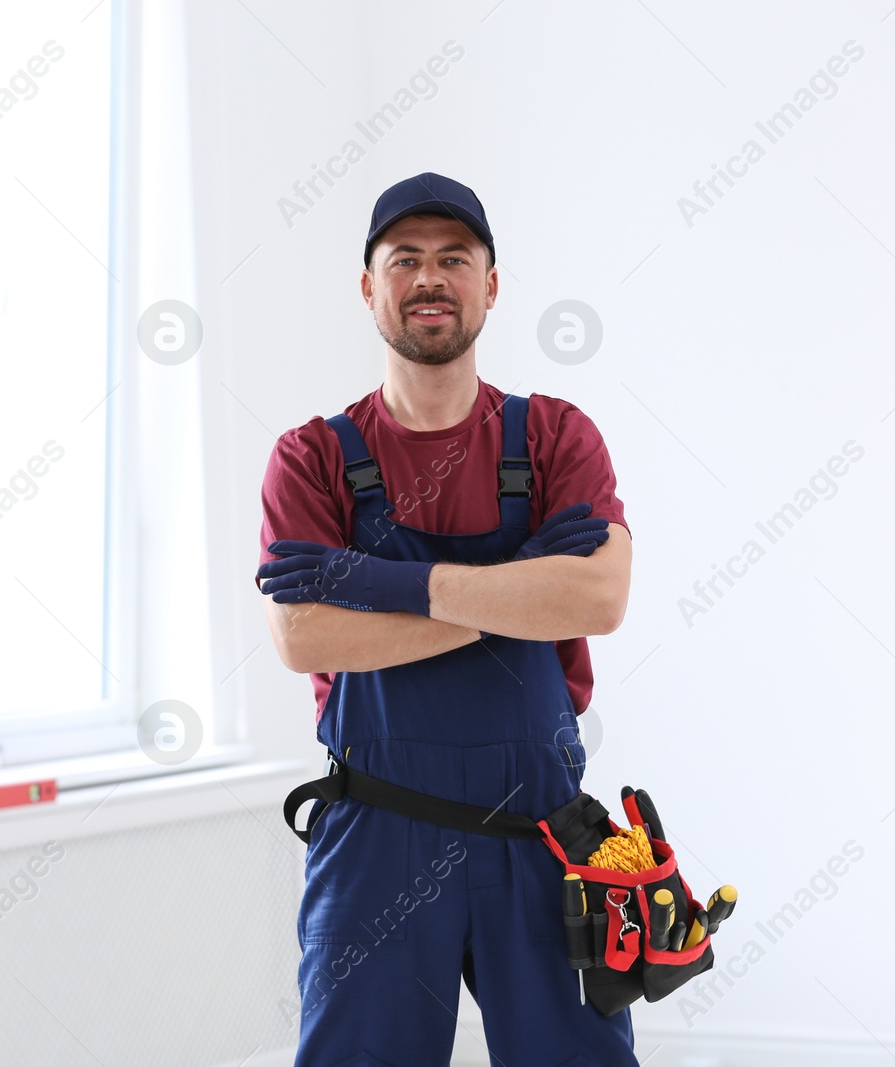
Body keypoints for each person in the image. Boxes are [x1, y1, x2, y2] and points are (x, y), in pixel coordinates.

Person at [255, 172, 638, 1065]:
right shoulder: (312, 457)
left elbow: (599, 598)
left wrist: (379, 583)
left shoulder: (554, 437)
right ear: (369, 287)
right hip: (378, 836)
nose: (431, 279)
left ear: (491, 285)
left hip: (541, 839)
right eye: (406, 260)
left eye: (454, 259)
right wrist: (517, 587)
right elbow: (304, 636)